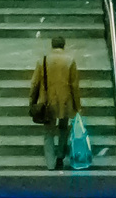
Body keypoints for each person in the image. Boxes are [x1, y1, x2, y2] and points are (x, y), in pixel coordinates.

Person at [30, 36, 83, 169]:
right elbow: (74, 85)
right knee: (63, 129)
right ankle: (60, 156)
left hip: (47, 102)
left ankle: (50, 163)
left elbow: (35, 83)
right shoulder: (70, 61)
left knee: (48, 133)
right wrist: (78, 105)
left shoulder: (43, 61)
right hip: (65, 102)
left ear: (52, 45)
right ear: (64, 45)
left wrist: (32, 101)